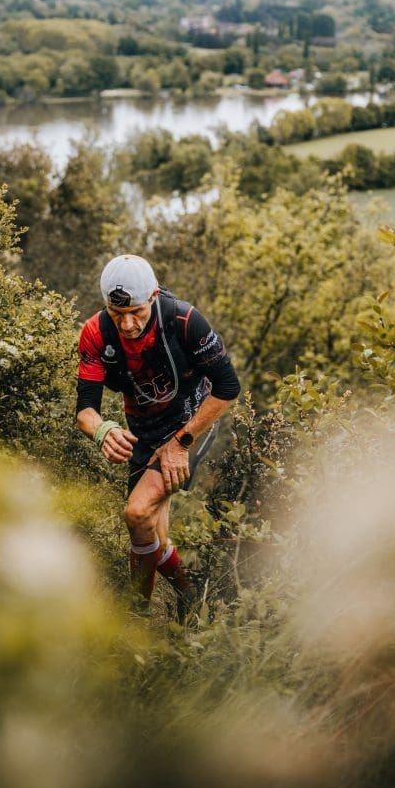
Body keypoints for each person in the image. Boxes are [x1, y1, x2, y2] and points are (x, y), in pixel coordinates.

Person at [76, 254, 241, 617]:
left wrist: (182, 444)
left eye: (136, 311)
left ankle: (136, 616)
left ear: (152, 297)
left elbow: (228, 386)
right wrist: (102, 430)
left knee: (136, 513)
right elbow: (85, 411)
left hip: (189, 425)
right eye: (117, 314)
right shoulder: (95, 333)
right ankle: (191, 596)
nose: (128, 323)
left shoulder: (183, 320)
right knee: (149, 529)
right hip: (145, 432)